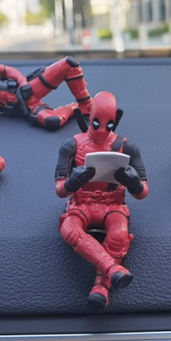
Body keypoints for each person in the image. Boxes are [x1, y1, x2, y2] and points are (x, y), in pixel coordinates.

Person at [54, 92, 148, 309]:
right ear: (89, 117)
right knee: (69, 230)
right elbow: (60, 189)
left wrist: (133, 183)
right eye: (97, 123)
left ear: (117, 119)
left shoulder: (127, 146)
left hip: (112, 204)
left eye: (109, 124)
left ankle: (101, 287)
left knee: (119, 234)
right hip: (81, 204)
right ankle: (112, 269)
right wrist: (73, 182)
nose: (102, 130)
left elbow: (143, 192)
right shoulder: (71, 145)